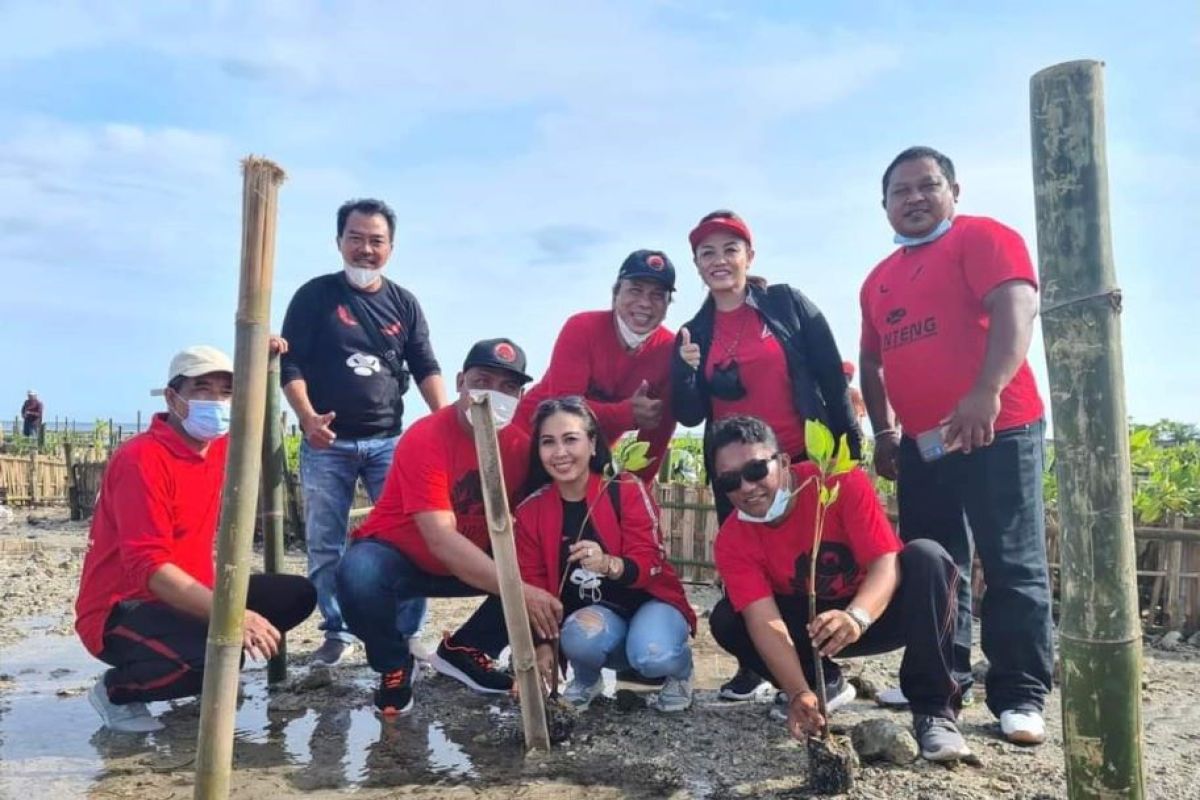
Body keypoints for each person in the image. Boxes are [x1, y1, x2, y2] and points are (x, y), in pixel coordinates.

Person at [859, 146, 1052, 745]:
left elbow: (1019, 303)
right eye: (901, 191)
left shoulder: (983, 238)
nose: (914, 199)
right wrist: (887, 432)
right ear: (884, 203)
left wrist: (985, 390)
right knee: (936, 568)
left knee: (1010, 560)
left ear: (954, 191)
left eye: (928, 186)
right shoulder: (878, 279)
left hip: (1000, 427)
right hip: (924, 445)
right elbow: (871, 361)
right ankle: (944, 682)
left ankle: (1020, 692)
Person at [671, 209, 862, 702]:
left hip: (798, 458)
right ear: (696, 264)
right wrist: (687, 371)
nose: (719, 260)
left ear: (749, 256)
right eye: (706, 252)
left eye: (729, 249)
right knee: (745, 570)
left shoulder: (786, 305)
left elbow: (828, 375)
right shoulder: (694, 331)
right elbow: (691, 414)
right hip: (736, 473)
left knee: (804, 564)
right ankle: (755, 664)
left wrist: (849, 448)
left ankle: (817, 665)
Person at [75, 345, 315, 733]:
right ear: (173, 398)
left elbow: (260, 411)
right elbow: (148, 569)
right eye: (202, 389)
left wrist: (267, 359)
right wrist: (234, 617)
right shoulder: (141, 459)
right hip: (122, 609)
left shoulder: (221, 448)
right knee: (217, 661)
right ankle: (117, 691)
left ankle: (195, 664)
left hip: (190, 597)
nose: (216, 401)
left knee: (296, 595)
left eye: (226, 392)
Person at [707, 415, 970, 761]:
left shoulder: (838, 481)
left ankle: (934, 711)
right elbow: (762, 620)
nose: (745, 487)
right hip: (811, 630)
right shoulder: (732, 539)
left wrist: (856, 617)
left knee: (928, 557)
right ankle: (822, 685)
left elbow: (885, 563)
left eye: (756, 471)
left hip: (874, 614)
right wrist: (798, 690)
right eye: (729, 480)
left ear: (783, 462)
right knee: (728, 618)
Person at [335, 338, 564, 717]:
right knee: (357, 574)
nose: (494, 395)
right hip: (403, 559)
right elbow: (440, 539)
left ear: (521, 395)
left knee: (551, 554)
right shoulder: (426, 437)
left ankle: (467, 651)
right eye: (483, 380)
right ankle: (393, 663)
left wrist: (542, 635)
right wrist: (521, 592)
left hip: (473, 558)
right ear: (460, 381)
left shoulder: (523, 447)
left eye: (509, 387)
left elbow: (544, 518)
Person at [281, 198, 449, 667]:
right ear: (339, 242)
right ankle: (337, 633)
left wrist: (443, 422)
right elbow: (290, 363)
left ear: (391, 248)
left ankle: (406, 632)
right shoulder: (314, 297)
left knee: (412, 537)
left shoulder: (404, 303)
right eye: (356, 238)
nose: (365, 249)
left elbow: (424, 365)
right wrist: (307, 416)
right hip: (326, 444)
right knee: (325, 541)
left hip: (390, 442)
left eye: (376, 241)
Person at [514, 397, 697, 712]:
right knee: (577, 638)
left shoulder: (625, 487)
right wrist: (541, 646)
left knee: (654, 654)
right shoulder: (531, 511)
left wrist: (609, 564)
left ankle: (680, 672)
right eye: (548, 442)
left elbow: (651, 561)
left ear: (593, 442)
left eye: (571, 439)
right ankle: (587, 679)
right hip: (595, 617)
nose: (559, 452)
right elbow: (535, 588)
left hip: (650, 603)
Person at [513, 249, 677, 483]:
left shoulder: (670, 350)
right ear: (615, 293)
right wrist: (627, 413)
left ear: (668, 303)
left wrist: (638, 489)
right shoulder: (581, 327)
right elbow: (563, 409)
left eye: (657, 295)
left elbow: (657, 432)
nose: (645, 303)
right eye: (635, 290)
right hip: (529, 441)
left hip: (588, 460)